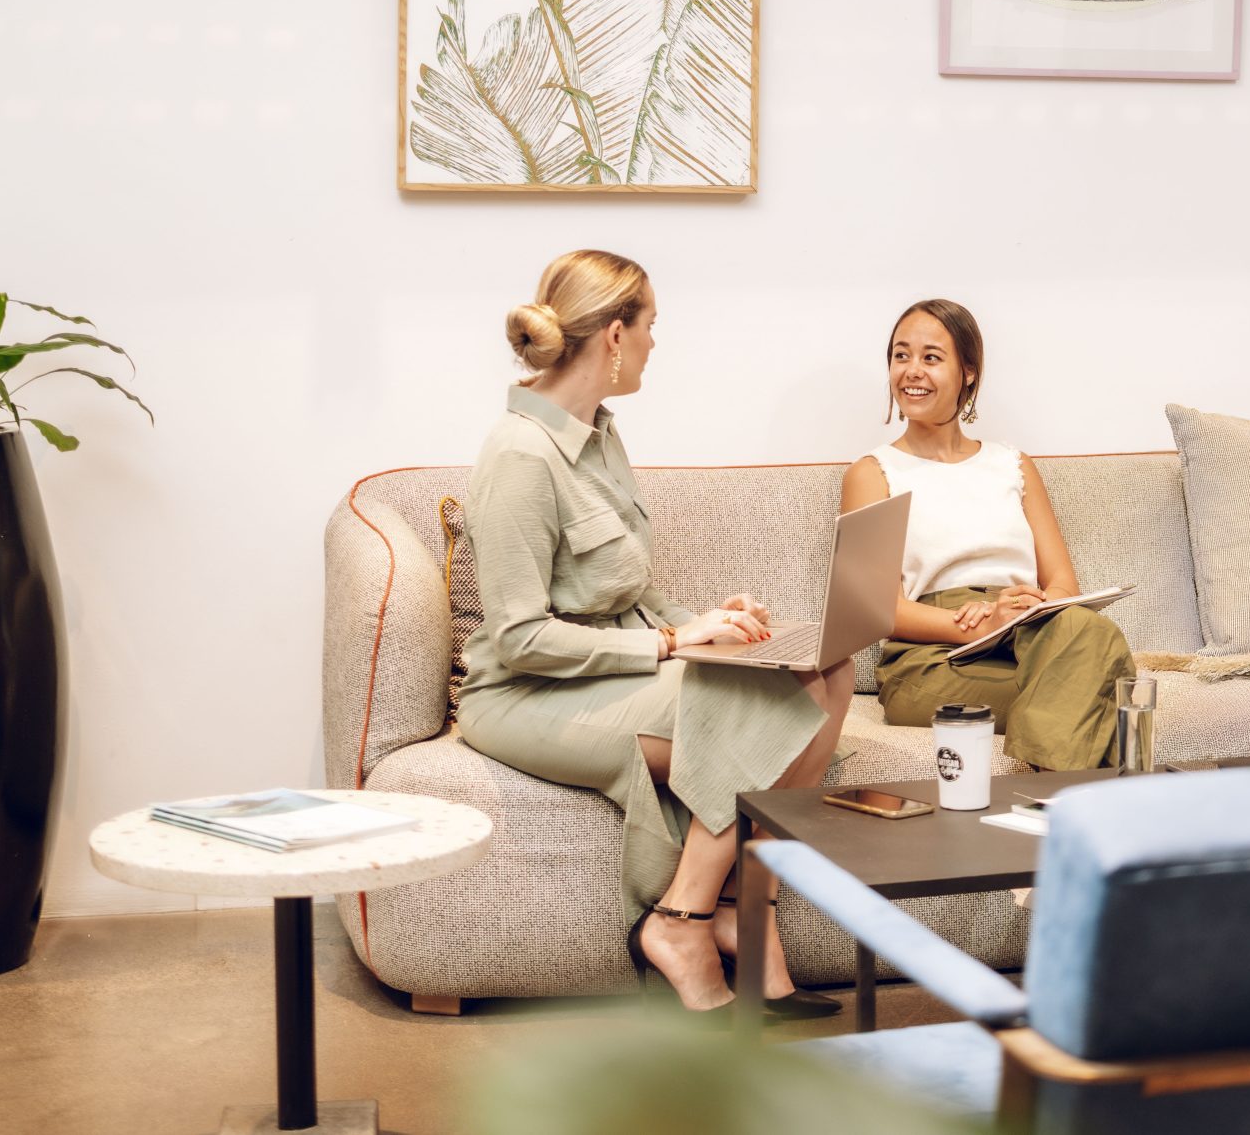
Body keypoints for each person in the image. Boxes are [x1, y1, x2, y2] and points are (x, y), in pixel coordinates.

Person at [458, 251, 847, 1018]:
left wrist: (709, 621)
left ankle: (737, 906)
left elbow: (623, 585)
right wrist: (670, 646)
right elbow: (519, 640)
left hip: (606, 669)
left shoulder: (599, 435)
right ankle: (682, 919)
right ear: (612, 335)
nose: (654, 343)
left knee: (829, 670)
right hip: (524, 695)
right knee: (762, 706)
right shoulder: (519, 454)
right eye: (650, 326)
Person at [838, 298, 1135, 772]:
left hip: (1026, 637)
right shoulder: (874, 473)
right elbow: (880, 611)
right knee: (1105, 687)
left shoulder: (1013, 465)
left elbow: (1063, 585)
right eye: (901, 355)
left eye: (931, 358)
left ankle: (1047, 806)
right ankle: (1069, 810)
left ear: (969, 372)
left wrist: (1025, 611)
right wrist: (980, 622)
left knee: (1087, 629)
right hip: (933, 658)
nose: (912, 371)